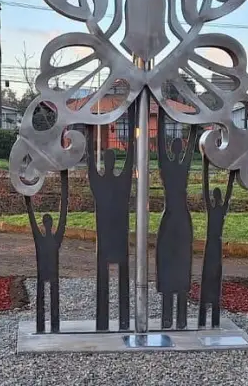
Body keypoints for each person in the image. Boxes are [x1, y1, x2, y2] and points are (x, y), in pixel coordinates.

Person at [88, 104, 137, 331]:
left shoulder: (106, 183)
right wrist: (133, 117)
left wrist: (89, 130)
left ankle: (109, 322)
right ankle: (119, 321)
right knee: (114, 279)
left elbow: (129, 157)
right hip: (114, 236)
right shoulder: (121, 182)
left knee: (112, 279)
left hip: (111, 236)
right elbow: (129, 157)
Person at [156, 108, 197, 329]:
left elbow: (163, 145)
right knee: (174, 262)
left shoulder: (170, 166)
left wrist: (162, 114)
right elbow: (189, 146)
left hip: (175, 217)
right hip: (177, 216)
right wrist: (195, 126)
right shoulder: (181, 166)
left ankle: (172, 318)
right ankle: (175, 318)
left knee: (178, 262)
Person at [25, 169, 69, 333]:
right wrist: (26, 195)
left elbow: (63, 212)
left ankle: (50, 326)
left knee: (47, 300)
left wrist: (27, 195)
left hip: (46, 273)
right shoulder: (50, 238)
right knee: (46, 300)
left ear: (44, 223)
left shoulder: (44, 239)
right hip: (47, 273)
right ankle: (47, 326)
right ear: (47, 224)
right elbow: (63, 212)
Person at [199, 164, 235, 329]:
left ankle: (207, 317)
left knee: (210, 277)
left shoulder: (213, 208)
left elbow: (206, 188)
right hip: (215, 245)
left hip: (212, 245)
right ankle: (210, 317)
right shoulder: (221, 209)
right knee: (212, 277)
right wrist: (232, 172)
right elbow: (226, 191)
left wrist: (205, 166)